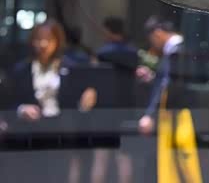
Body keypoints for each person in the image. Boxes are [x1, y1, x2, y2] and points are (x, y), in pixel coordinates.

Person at [10, 19, 97, 183]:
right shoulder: (21, 69)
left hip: (60, 130)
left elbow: (81, 100)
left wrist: (87, 98)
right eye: (38, 39)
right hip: (30, 131)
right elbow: (9, 102)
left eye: (48, 40)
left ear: (57, 42)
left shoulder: (71, 67)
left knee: (59, 174)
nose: (43, 44)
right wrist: (21, 109)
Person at [91, 16, 139, 183]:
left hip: (103, 111)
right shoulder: (133, 53)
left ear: (108, 31)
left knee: (100, 158)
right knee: (124, 158)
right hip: (126, 110)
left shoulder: (102, 53)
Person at [137, 16, 186, 135]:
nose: (153, 44)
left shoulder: (176, 51)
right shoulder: (178, 49)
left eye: (152, 39)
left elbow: (167, 84)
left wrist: (150, 114)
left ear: (157, 34)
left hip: (176, 116)